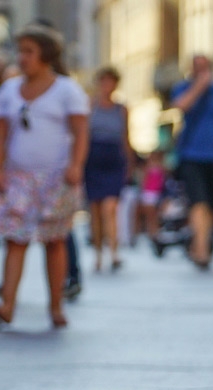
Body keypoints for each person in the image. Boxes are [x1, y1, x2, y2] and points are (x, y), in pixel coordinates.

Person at [0, 23, 89, 330]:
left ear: (46, 55)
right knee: (15, 240)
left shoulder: (67, 90)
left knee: (54, 241)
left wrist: (76, 164)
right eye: (21, 51)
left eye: (29, 51)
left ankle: (56, 305)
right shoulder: (8, 91)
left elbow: (80, 130)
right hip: (19, 178)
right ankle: (7, 306)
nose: (22, 57)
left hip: (55, 177)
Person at [170, 55, 213, 269]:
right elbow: (181, 106)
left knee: (210, 204)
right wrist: (199, 87)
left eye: (205, 68)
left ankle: (201, 243)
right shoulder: (183, 88)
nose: (202, 72)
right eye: (197, 68)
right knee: (198, 202)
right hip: (191, 155)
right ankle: (201, 250)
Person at [84, 66, 132, 272]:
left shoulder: (122, 109)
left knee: (110, 208)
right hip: (93, 158)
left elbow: (126, 137)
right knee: (95, 210)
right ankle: (98, 254)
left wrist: (129, 163)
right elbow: (82, 135)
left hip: (114, 159)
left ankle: (114, 252)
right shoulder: (89, 106)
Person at [139, 150, 165, 240]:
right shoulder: (147, 167)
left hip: (157, 193)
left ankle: (155, 231)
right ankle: (150, 231)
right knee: (149, 214)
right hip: (148, 193)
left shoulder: (162, 167)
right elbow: (144, 180)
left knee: (155, 214)